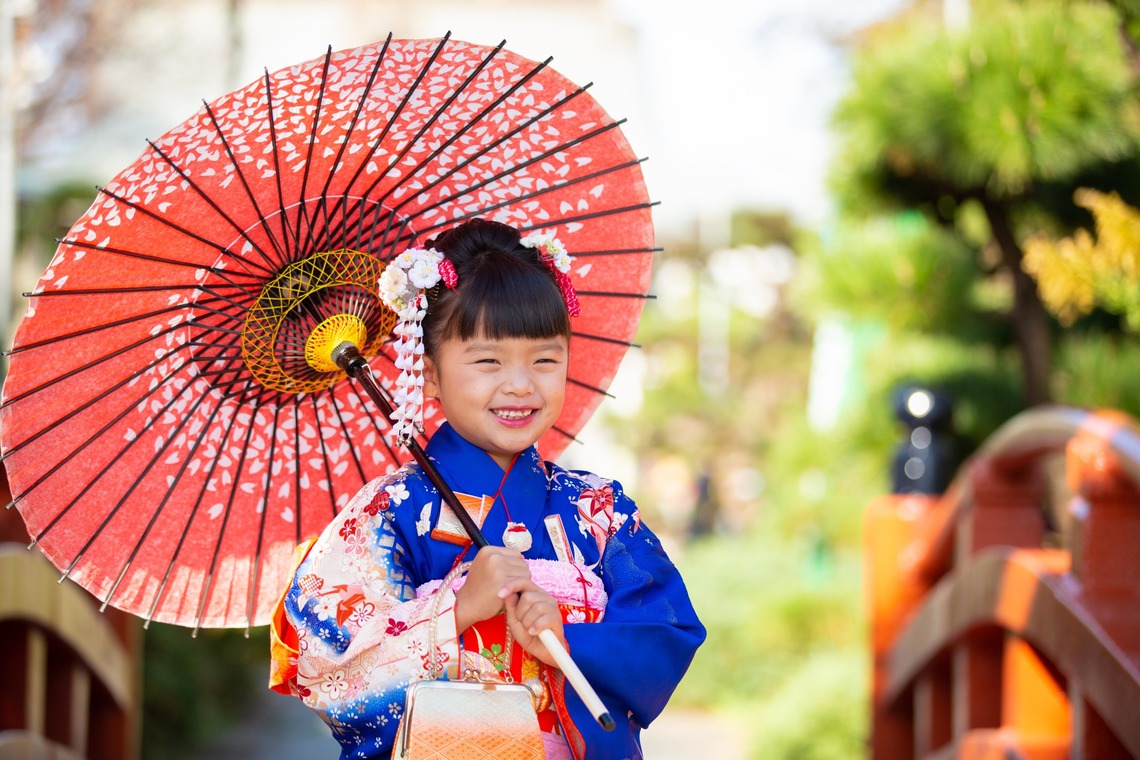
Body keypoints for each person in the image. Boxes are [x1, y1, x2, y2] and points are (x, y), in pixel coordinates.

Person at [269, 218, 706, 759]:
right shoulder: (390, 513)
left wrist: (566, 638)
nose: (520, 385)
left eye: (545, 359)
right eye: (488, 361)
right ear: (430, 374)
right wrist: (453, 612)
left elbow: (666, 632)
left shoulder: (598, 510)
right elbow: (326, 668)